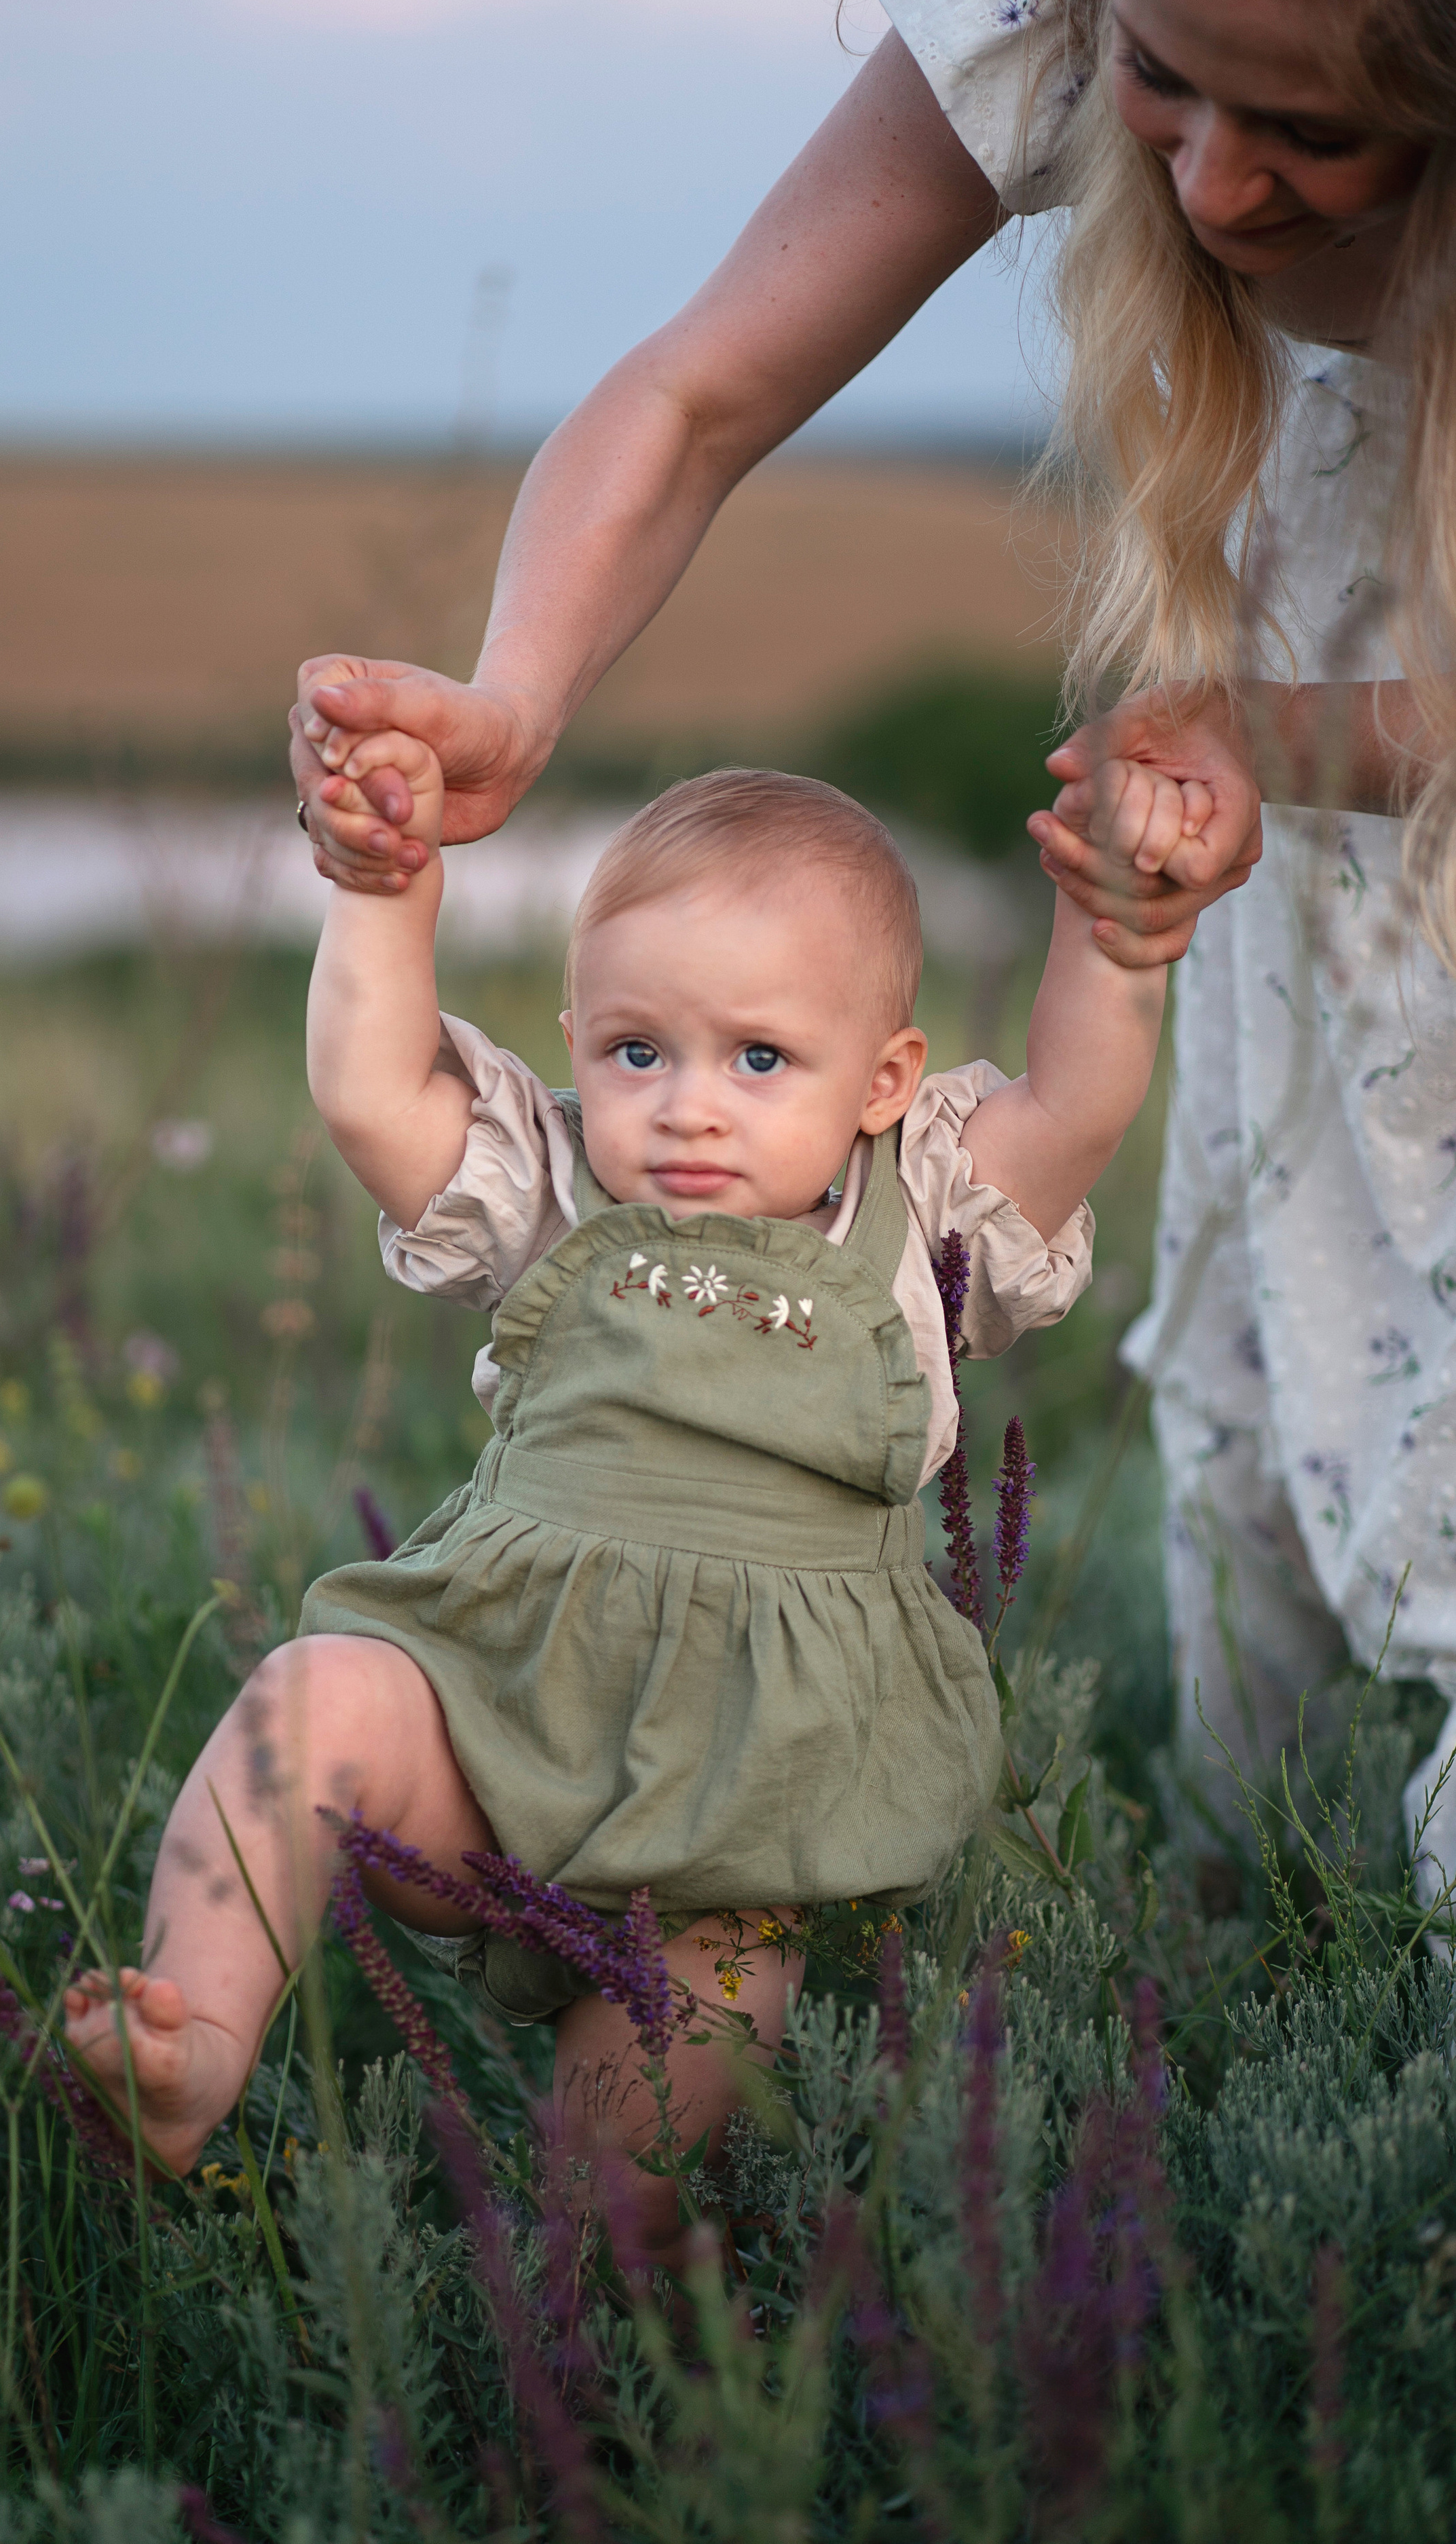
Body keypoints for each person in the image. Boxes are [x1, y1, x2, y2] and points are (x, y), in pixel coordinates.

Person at [288, 0, 1456, 1901]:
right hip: (1304, 697)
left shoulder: (910, 1203)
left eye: (1318, 133)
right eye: (1167, 83)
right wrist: (513, 698)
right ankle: (1258, 1915)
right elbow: (692, 396)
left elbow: (1061, 1117)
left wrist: (1257, 739)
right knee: (1297, 1324)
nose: (1209, 189)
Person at [67, 752, 1183, 2262]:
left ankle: (594, 2375)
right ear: (576, 1048)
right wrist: (381, 894)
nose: (686, 1110)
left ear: (883, 1079)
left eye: (759, 1060)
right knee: (311, 1697)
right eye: (635, 1052)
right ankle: (189, 2038)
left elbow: (1072, 1110)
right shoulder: (549, 1202)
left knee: (622, 2185)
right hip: (496, 1719)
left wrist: (1113, 942)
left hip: (741, 1822)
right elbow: (369, 1090)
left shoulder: (921, 1224)